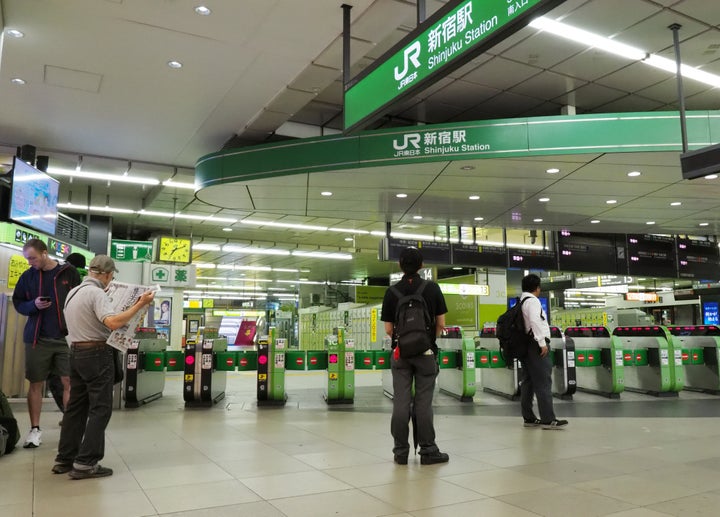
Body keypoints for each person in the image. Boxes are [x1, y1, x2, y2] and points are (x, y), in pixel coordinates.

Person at [52, 255, 154, 479]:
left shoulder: (74, 292)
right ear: (108, 275)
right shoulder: (96, 293)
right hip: (96, 354)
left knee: (76, 408)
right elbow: (113, 322)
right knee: (100, 408)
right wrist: (140, 303)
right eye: (111, 276)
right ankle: (86, 463)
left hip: (76, 352)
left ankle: (65, 458)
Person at [381, 247, 449, 465]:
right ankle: (428, 450)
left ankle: (400, 452)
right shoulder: (432, 288)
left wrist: (405, 341)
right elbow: (441, 324)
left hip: (401, 354)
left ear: (400, 265)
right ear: (422, 266)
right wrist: (427, 341)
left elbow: (389, 330)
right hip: (425, 353)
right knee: (423, 401)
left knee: (401, 401)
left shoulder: (392, 292)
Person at [12, 239, 81, 448]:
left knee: (69, 381)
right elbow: (18, 302)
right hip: (37, 338)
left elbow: (79, 299)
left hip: (64, 338)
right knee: (35, 383)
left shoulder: (68, 273)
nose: (30, 262)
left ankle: (72, 429)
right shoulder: (28, 276)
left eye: (32, 257)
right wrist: (33, 305)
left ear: (44, 253)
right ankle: (34, 430)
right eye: (27, 258)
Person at [518, 273, 568, 430]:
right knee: (543, 382)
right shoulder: (532, 301)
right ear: (537, 288)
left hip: (525, 346)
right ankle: (548, 419)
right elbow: (535, 322)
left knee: (528, 382)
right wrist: (542, 343)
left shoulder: (521, 301)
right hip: (535, 346)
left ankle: (529, 417)